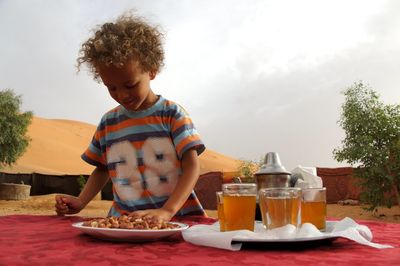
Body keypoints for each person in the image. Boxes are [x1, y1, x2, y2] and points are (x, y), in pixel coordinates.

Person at [55, 12, 206, 222]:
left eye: (130, 85)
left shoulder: (172, 114)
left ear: (152, 71)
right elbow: (102, 169)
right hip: (125, 222)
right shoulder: (108, 122)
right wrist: (81, 201)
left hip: (177, 220)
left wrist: (167, 211)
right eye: (111, 88)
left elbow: (192, 165)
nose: (122, 95)